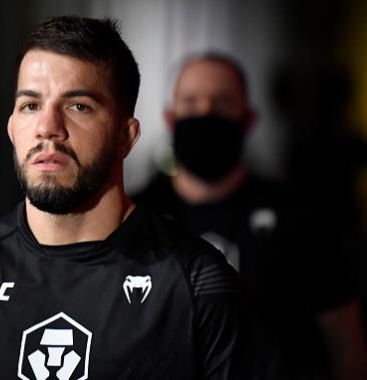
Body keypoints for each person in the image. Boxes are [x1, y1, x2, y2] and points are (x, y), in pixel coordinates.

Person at [0, 16, 274, 380]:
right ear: (12, 128)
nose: (48, 127)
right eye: (30, 106)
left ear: (125, 136)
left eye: (78, 106)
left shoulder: (196, 282)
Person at [134, 52, 367, 379]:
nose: (206, 113)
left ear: (248, 118)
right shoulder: (134, 217)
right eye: (191, 102)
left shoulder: (302, 220)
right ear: (171, 118)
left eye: (222, 102)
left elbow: (346, 347)